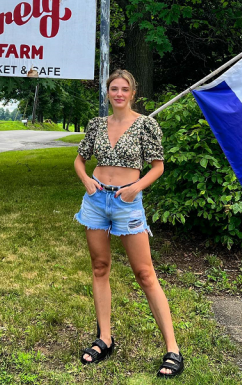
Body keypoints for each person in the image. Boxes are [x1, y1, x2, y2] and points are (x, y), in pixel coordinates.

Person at [74, 69, 184, 379]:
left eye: (124, 89)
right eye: (113, 88)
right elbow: (80, 159)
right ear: (107, 93)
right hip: (95, 202)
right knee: (99, 267)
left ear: (132, 93)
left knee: (145, 273)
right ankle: (105, 339)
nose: (118, 93)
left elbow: (157, 167)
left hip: (126, 204)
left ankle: (173, 349)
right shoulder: (97, 125)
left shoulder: (146, 125)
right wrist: (86, 180)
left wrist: (136, 188)